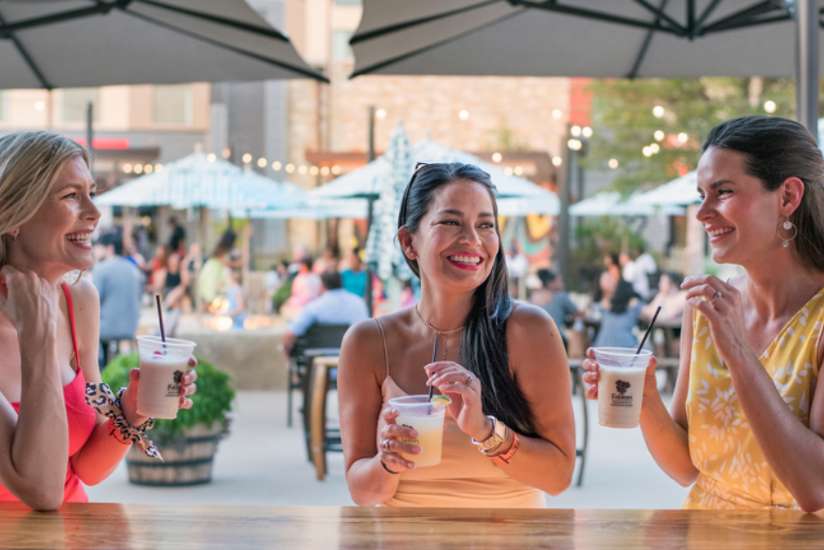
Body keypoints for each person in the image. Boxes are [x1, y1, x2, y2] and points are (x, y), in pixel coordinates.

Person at [583, 116, 824, 512]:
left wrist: (739, 353)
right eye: (701, 195)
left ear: (788, 197)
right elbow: (687, 468)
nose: (702, 213)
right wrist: (645, 399)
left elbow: (814, 488)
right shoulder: (709, 310)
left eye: (723, 192)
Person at [338, 162, 575, 508]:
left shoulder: (530, 331)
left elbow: (559, 477)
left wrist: (484, 430)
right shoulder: (367, 343)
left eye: (485, 225)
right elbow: (362, 492)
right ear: (408, 242)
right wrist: (387, 463)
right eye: (450, 222)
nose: (472, 240)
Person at [0, 131, 198, 510]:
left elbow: (85, 469)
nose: (94, 212)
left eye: (91, 192)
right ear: (13, 215)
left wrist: (133, 410)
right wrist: (38, 340)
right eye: (71, 196)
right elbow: (43, 490)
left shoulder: (77, 299)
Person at [281, 270, 369, 356]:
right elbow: (365, 332)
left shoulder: (314, 307)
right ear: (341, 282)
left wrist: (288, 354)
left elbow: (290, 334)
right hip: (352, 357)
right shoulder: (358, 302)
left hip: (319, 358)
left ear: (322, 285)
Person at [91, 231, 144, 368]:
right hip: (131, 327)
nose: (94, 251)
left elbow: (93, 300)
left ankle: (101, 372)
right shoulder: (134, 269)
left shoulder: (101, 269)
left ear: (109, 248)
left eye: (98, 247)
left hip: (107, 329)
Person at [591, 253, 642, 348]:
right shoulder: (601, 303)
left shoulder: (626, 293)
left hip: (614, 346)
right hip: (611, 346)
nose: (611, 279)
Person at [531, 268, 579, 350]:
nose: (562, 284)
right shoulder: (560, 296)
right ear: (551, 283)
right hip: (555, 340)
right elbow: (578, 313)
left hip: (534, 340)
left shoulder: (534, 297)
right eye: (560, 281)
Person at [195, 231, 234, 312]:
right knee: (209, 296)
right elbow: (226, 263)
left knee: (209, 297)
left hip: (210, 270)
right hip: (212, 272)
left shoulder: (220, 247)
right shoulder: (223, 249)